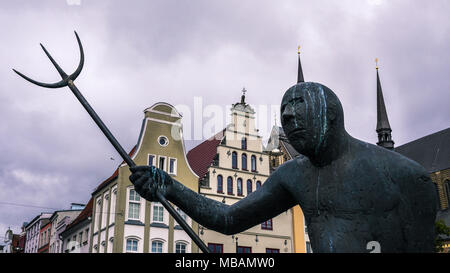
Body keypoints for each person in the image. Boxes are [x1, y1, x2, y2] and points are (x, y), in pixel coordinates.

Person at [130, 82, 437, 252]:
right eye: (283, 110)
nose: (288, 116)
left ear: (331, 114)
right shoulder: (294, 174)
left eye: (299, 104)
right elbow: (227, 219)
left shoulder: (405, 177)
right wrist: (169, 187)